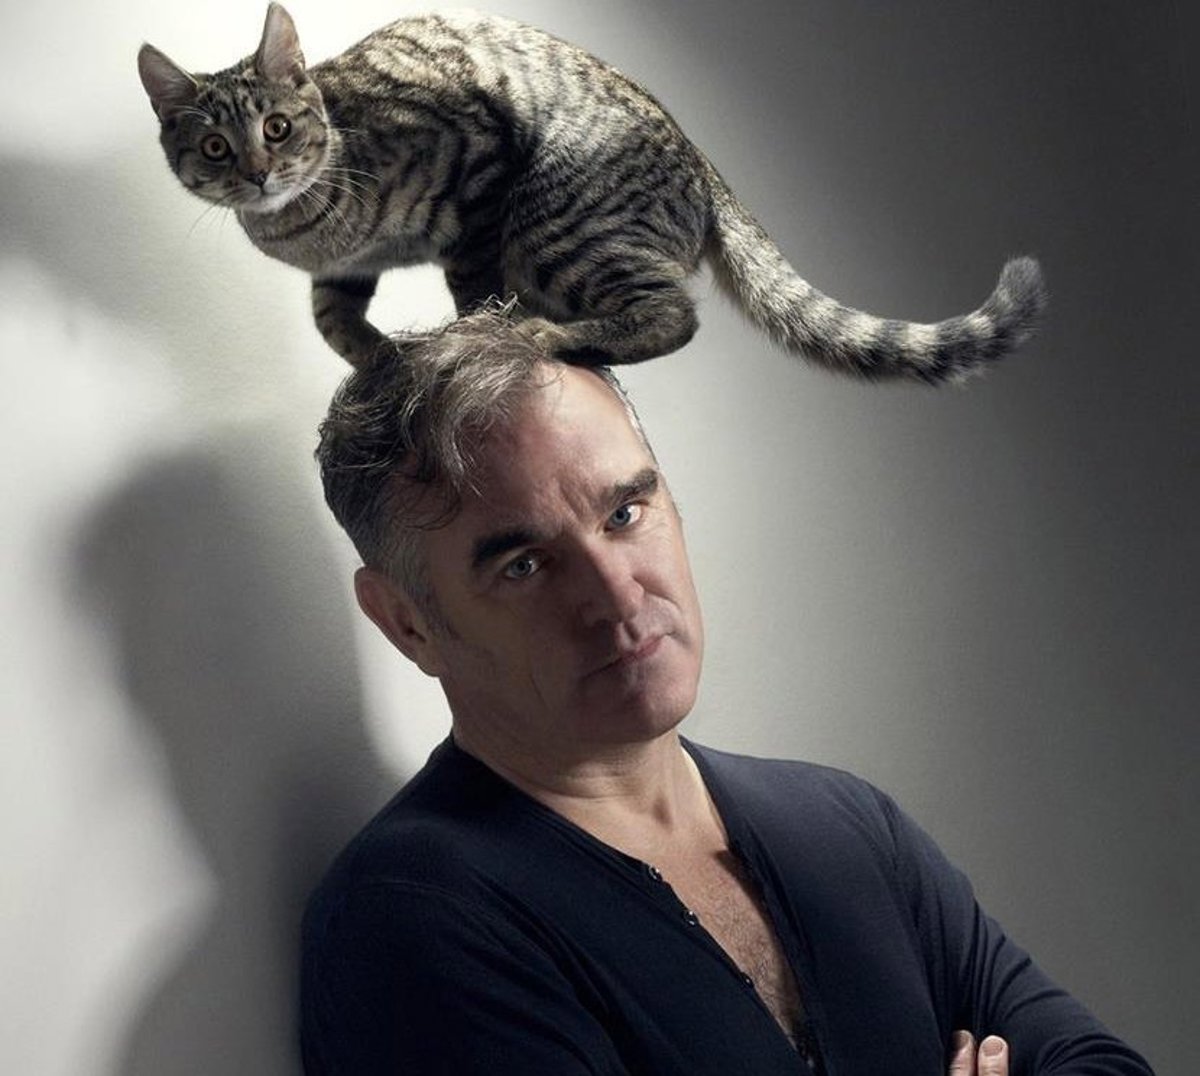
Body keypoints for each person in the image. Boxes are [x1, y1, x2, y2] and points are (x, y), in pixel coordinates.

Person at [302, 310, 1153, 1075]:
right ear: (407, 622)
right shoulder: (412, 919)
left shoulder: (844, 824)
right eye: (524, 565)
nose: (617, 596)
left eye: (624, 515)